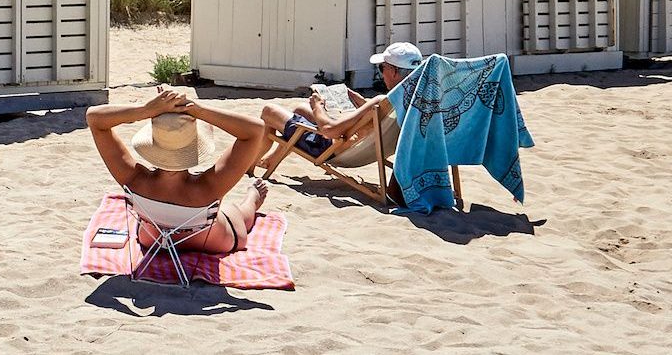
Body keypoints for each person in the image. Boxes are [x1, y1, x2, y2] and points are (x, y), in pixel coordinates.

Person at [87, 86, 270, 254]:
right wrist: (197, 110)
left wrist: (146, 110)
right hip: (213, 244)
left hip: (153, 241)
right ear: (195, 145)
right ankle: (252, 200)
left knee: (158, 219)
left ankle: (250, 200)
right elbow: (255, 130)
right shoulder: (210, 187)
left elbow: (94, 118)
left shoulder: (134, 179)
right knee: (235, 212)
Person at [256, 41, 423, 174]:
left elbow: (329, 130)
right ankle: (272, 158)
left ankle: (251, 161)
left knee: (269, 111)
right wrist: (359, 100)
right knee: (300, 110)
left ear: (393, 71)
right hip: (362, 149)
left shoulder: (381, 100)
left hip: (332, 148)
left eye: (382, 68)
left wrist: (317, 107)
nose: (381, 73)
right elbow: (382, 118)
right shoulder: (413, 101)